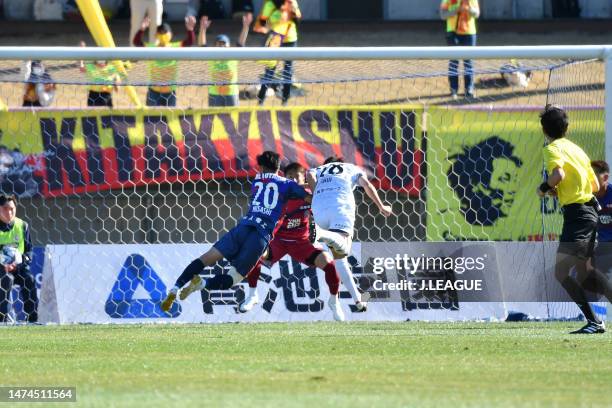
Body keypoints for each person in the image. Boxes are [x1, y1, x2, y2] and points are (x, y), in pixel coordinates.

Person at [161, 151, 309, 313]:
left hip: (243, 228)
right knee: (233, 278)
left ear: (260, 167)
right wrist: (311, 185)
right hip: (261, 235)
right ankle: (202, 284)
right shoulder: (287, 185)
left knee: (205, 258)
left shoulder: (258, 180)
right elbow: (308, 197)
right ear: (279, 167)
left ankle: (175, 288)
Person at [537, 105, 612, 334]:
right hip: (589, 212)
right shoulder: (577, 150)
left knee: (561, 272)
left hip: (577, 215)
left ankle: (594, 322)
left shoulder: (552, 148)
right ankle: (595, 322)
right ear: (567, 128)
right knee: (586, 270)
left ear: (543, 130)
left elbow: (557, 175)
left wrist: (544, 188)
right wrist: (562, 191)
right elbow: (597, 186)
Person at [241, 162, 344, 321]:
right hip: (278, 241)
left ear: (304, 178)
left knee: (329, 264)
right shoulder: (279, 195)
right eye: (290, 177)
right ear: (285, 178)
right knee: (255, 255)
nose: (295, 180)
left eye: (298, 176)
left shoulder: (311, 195)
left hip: (302, 243)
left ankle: (334, 301)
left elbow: (327, 206)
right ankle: (253, 294)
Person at [306, 157, 393, 312]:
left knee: (340, 258)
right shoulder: (351, 167)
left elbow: (309, 174)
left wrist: (317, 194)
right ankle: (321, 233)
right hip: (340, 207)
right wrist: (381, 206)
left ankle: (358, 300)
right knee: (344, 247)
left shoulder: (320, 170)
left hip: (319, 210)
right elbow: (366, 185)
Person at [133, 16, 196, 107]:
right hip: (153, 92)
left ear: (170, 34)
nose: (162, 34)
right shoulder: (151, 48)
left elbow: (190, 42)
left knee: (169, 119)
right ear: (156, 35)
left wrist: (190, 30)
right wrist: (142, 29)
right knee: (152, 118)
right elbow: (137, 42)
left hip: (170, 92)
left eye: (164, 32)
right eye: (160, 32)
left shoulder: (175, 47)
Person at [198, 13, 252, 107]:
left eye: (224, 43)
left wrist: (246, 27)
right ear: (214, 46)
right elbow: (202, 45)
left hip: (231, 94)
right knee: (213, 119)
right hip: (215, 94)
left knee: (233, 119)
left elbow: (241, 43)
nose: (221, 45)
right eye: (219, 44)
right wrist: (203, 29)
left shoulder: (233, 56)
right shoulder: (212, 57)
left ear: (229, 46)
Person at [255, 0, 301, 106]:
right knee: (269, 70)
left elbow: (297, 21)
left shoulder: (291, 1)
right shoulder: (269, 4)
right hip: (276, 38)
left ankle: (285, 101)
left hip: (290, 40)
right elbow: (262, 22)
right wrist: (270, 25)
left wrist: (293, 12)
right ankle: (261, 101)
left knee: (287, 71)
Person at [0, 194, 37, 323]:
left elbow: (29, 250)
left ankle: (32, 319)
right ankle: (2, 320)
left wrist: (18, 263)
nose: (9, 212)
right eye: (5, 208)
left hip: (18, 267)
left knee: (29, 280)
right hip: (1, 269)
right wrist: (3, 266)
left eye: (12, 208)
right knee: (6, 279)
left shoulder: (22, 225)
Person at [439, 0, 480, 99]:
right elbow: (443, 15)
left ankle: (469, 89)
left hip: (469, 34)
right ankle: (453, 90)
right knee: (454, 61)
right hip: (452, 33)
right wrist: (457, 10)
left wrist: (468, 10)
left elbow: (477, 14)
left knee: (468, 62)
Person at [79, 41, 124, 108]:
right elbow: (81, 68)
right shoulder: (90, 66)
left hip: (106, 96)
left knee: (106, 116)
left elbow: (117, 88)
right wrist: (81, 51)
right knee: (92, 116)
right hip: (93, 96)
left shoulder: (112, 68)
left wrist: (116, 84)